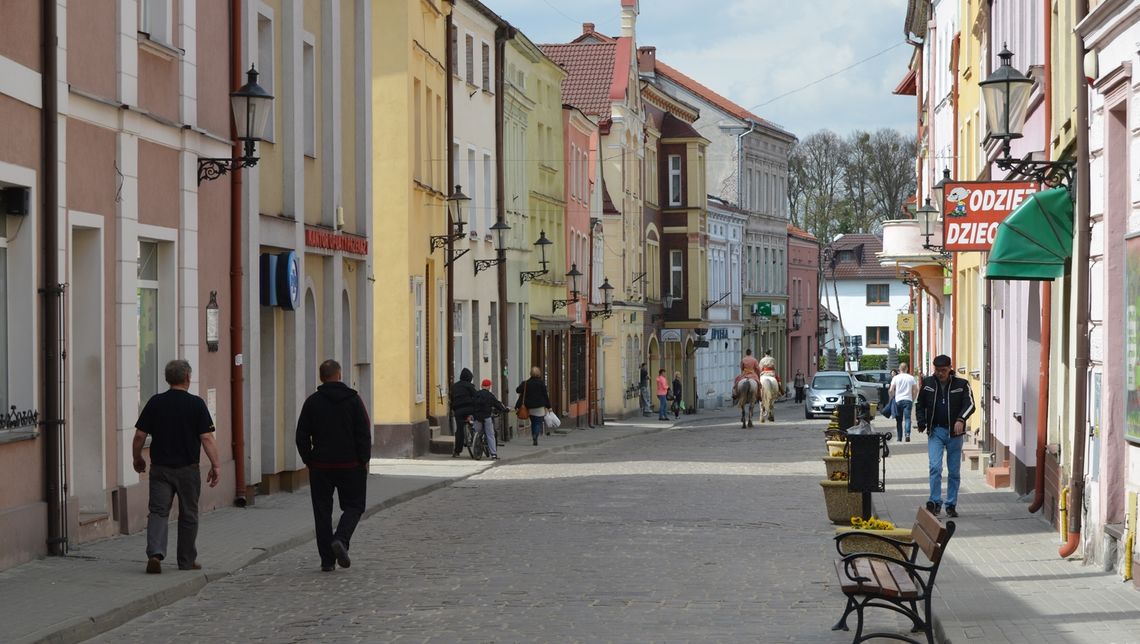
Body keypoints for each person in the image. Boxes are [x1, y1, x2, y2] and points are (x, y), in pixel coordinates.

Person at [132, 359, 221, 574]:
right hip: (187, 470)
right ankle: (186, 560)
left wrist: (137, 458)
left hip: (160, 469)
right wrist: (216, 465)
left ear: (167, 379)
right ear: (187, 378)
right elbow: (207, 438)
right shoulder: (196, 404)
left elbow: (139, 436)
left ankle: (155, 553)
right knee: (189, 514)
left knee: (158, 512)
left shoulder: (155, 402)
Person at [295, 359, 372, 572]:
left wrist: (309, 459)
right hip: (350, 465)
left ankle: (327, 561)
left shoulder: (312, 402)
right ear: (339, 375)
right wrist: (363, 460)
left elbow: (301, 435)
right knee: (355, 506)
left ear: (322, 378)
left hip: (320, 466)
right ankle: (341, 539)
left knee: (322, 512)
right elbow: (364, 433)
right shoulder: (354, 401)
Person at [915, 354, 975, 518]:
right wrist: (921, 422)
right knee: (935, 467)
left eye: (943, 370)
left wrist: (961, 419)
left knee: (954, 471)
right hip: (936, 431)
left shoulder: (961, 384)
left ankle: (951, 504)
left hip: (955, 434)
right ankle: (934, 502)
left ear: (950, 369)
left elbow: (970, 404)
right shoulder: (928, 383)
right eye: (937, 370)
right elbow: (919, 404)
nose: (940, 373)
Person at [516, 366, 552, 445]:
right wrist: (549, 406)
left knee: (533, 422)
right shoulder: (541, 383)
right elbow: (545, 395)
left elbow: (517, 390)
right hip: (539, 406)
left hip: (529, 406)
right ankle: (535, 435)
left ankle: (534, 435)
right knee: (538, 422)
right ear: (539, 373)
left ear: (531, 373)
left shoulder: (526, 383)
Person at [474, 379, 510, 459]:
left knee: (476, 432)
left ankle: (475, 442)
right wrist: (504, 410)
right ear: (489, 386)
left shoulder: (476, 394)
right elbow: (497, 404)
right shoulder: (490, 395)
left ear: (481, 386)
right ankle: (493, 454)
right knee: (490, 435)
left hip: (477, 417)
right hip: (486, 417)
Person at [449, 368, 479, 457]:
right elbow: (476, 396)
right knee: (477, 419)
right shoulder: (470, 386)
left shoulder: (454, 386)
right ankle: (476, 434)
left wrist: (453, 409)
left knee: (459, 430)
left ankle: (457, 451)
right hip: (470, 409)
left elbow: (452, 399)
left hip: (458, 410)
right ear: (469, 377)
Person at [888, 362, 918, 442]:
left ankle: (899, 438)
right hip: (908, 400)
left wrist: (892, 397)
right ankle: (907, 434)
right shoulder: (911, 378)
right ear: (907, 369)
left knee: (899, 420)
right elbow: (916, 389)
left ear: (899, 369)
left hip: (898, 400)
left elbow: (891, 390)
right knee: (908, 418)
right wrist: (913, 399)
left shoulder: (896, 378)